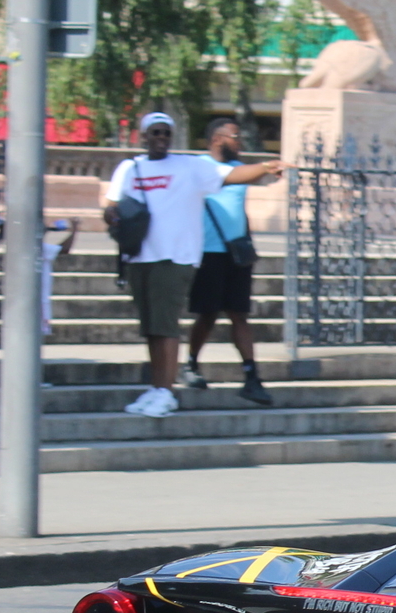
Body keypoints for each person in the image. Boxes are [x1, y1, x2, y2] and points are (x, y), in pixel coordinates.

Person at [101, 112, 282, 417]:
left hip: (174, 257)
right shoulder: (130, 168)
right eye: (155, 133)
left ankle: (167, 392)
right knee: (152, 328)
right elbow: (111, 204)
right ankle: (157, 388)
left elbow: (232, 176)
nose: (161, 138)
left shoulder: (188, 166)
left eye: (166, 133)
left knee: (166, 325)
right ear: (143, 136)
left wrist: (266, 166)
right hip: (139, 257)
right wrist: (113, 218)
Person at [183, 118, 274, 406]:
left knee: (239, 314)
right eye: (236, 136)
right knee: (207, 313)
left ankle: (251, 376)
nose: (241, 141)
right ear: (217, 139)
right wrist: (267, 166)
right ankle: (191, 363)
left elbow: (239, 206)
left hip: (235, 253)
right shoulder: (199, 166)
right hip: (207, 252)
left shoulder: (240, 169)